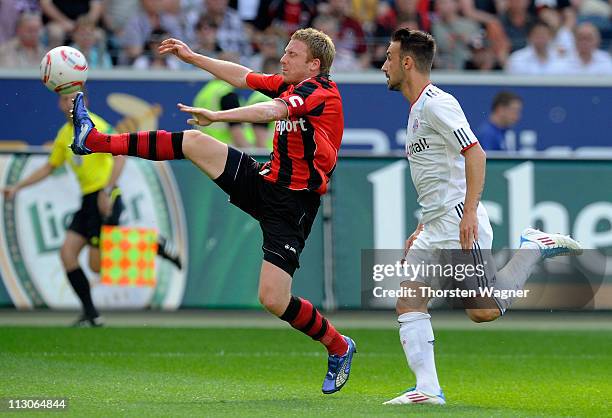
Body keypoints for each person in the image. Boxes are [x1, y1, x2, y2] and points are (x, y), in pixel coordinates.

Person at [68, 28, 357, 394]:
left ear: (314, 65)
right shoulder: (291, 84)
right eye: (284, 52)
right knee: (192, 142)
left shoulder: (320, 93)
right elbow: (241, 75)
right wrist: (192, 57)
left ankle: (338, 345)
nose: (283, 59)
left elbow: (272, 110)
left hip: (294, 206)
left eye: (292, 55)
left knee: (273, 299)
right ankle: (94, 141)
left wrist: (219, 117)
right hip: (265, 182)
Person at [380, 28, 582, 405]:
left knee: (483, 311)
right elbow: (439, 175)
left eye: (389, 58)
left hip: (458, 224)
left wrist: (469, 210)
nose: (383, 65)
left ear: (407, 63)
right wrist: (421, 224)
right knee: (408, 301)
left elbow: (475, 154)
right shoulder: (416, 111)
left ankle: (533, 247)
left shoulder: (438, 103)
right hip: (435, 224)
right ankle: (427, 390)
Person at [3, 90, 182, 327]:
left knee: (96, 266)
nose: (67, 104)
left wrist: (107, 190)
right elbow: (49, 167)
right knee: (67, 254)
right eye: (63, 99)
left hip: (104, 196)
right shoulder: (64, 134)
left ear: (83, 102)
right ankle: (91, 314)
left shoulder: (95, 125)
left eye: (72, 99)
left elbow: (120, 155)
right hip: (87, 201)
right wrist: (17, 187)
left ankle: (154, 244)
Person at [192, 52, 250, 147]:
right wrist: (253, 153)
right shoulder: (227, 94)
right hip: (225, 152)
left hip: (203, 149)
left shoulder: (204, 93)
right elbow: (237, 133)